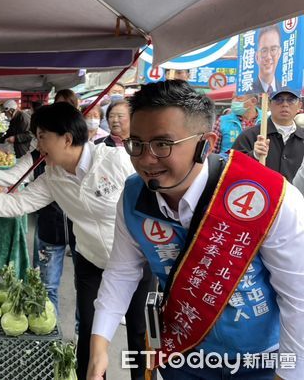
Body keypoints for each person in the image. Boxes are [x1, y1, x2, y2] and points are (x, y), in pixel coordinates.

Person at [88, 80, 304, 380]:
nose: (146, 159)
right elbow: (122, 273)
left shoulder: (267, 196)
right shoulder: (134, 196)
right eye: (136, 143)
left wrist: (289, 375)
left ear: (206, 143)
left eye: (163, 144)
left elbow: (298, 297)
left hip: (261, 362)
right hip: (184, 356)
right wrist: (99, 346)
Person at [0, 102, 136, 379]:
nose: (38, 145)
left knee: (140, 335)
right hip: (90, 259)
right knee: (90, 332)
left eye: (42, 137)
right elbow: (18, 204)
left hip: (134, 263)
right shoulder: (53, 177)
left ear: (67, 139)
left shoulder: (116, 161)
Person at [232, 88, 304, 182]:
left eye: (291, 100)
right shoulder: (249, 136)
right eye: (278, 99)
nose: (285, 104)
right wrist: (254, 155)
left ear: (299, 105)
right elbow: (232, 169)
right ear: (269, 104)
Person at [251, 25, 282, 95]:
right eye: (264, 50)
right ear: (257, 56)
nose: (268, 57)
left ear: (279, 52)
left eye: (273, 49)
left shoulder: (286, 91)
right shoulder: (248, 92)